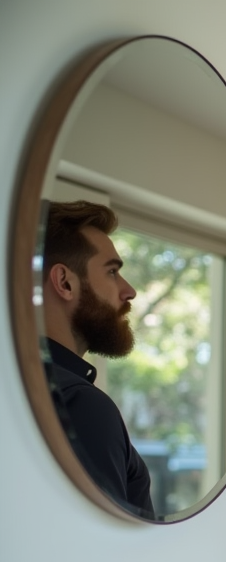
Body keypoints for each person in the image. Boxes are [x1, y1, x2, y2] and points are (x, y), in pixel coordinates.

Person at [41, 200, 154, 517]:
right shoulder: (81, 404)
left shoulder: (22, 389)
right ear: (64, 282)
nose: (129, 291)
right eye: (113, 272)